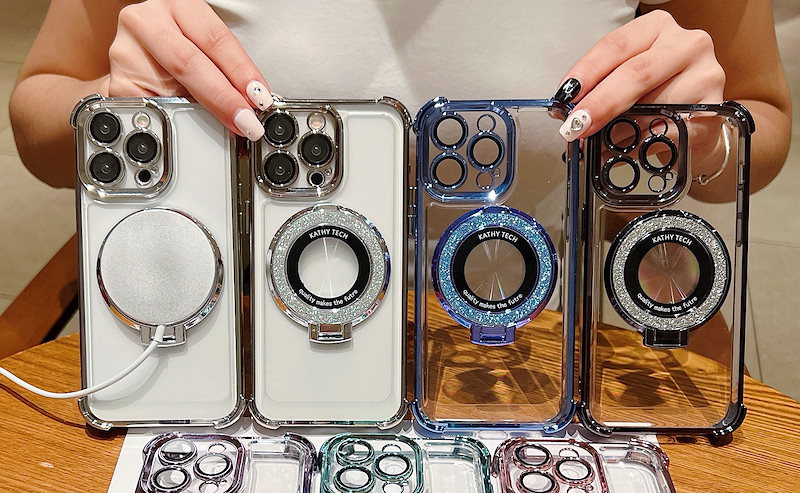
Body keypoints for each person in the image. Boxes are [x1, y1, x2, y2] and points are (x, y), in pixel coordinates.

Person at [10, 0, 791, 200]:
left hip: (528, 356)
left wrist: (706, 139)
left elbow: (764, 123)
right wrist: (113, 112)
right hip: (233, 355)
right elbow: (39, 118)